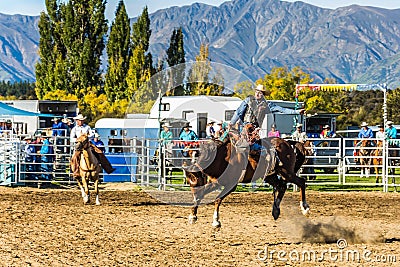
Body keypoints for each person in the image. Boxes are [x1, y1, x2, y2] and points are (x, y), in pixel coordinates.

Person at [230, 84, 304, 152]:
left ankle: (268, 156)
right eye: (256, 92)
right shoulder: (248, 100)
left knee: (253, 145)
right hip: (244, 127)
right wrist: (232, 123)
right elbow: (239, 112)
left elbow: (282, 110)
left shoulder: (267, 105)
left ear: (263, 94)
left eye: (260, 92)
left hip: (254, 129)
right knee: (229, 140)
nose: (258, 94)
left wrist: (296, 112)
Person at [70, 114, 115, 178]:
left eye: (82, 120)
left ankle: (107, 168)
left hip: (88, 144)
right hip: (79, 145)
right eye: (79, 120)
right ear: (77, 121)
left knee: (99, 152)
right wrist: (79, 139)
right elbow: (71, 138)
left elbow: (92, 135)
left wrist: (86, 137)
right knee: (75, 157)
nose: (80, 122)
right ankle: (76, 171)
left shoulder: (87, 127)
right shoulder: (74, 129)